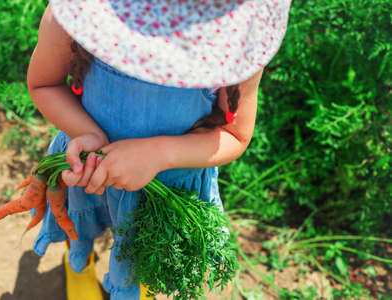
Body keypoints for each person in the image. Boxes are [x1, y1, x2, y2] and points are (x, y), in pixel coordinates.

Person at [26, 0, 291, 299]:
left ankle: (138, 287)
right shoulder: (76, 14)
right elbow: (44, 84)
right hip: (87, 169)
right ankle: (79, 265)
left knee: (147, 257)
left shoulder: (238, 39)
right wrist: (89, 133)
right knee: (78, 222)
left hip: (170, 187)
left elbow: (235, 135)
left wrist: (159, 154)